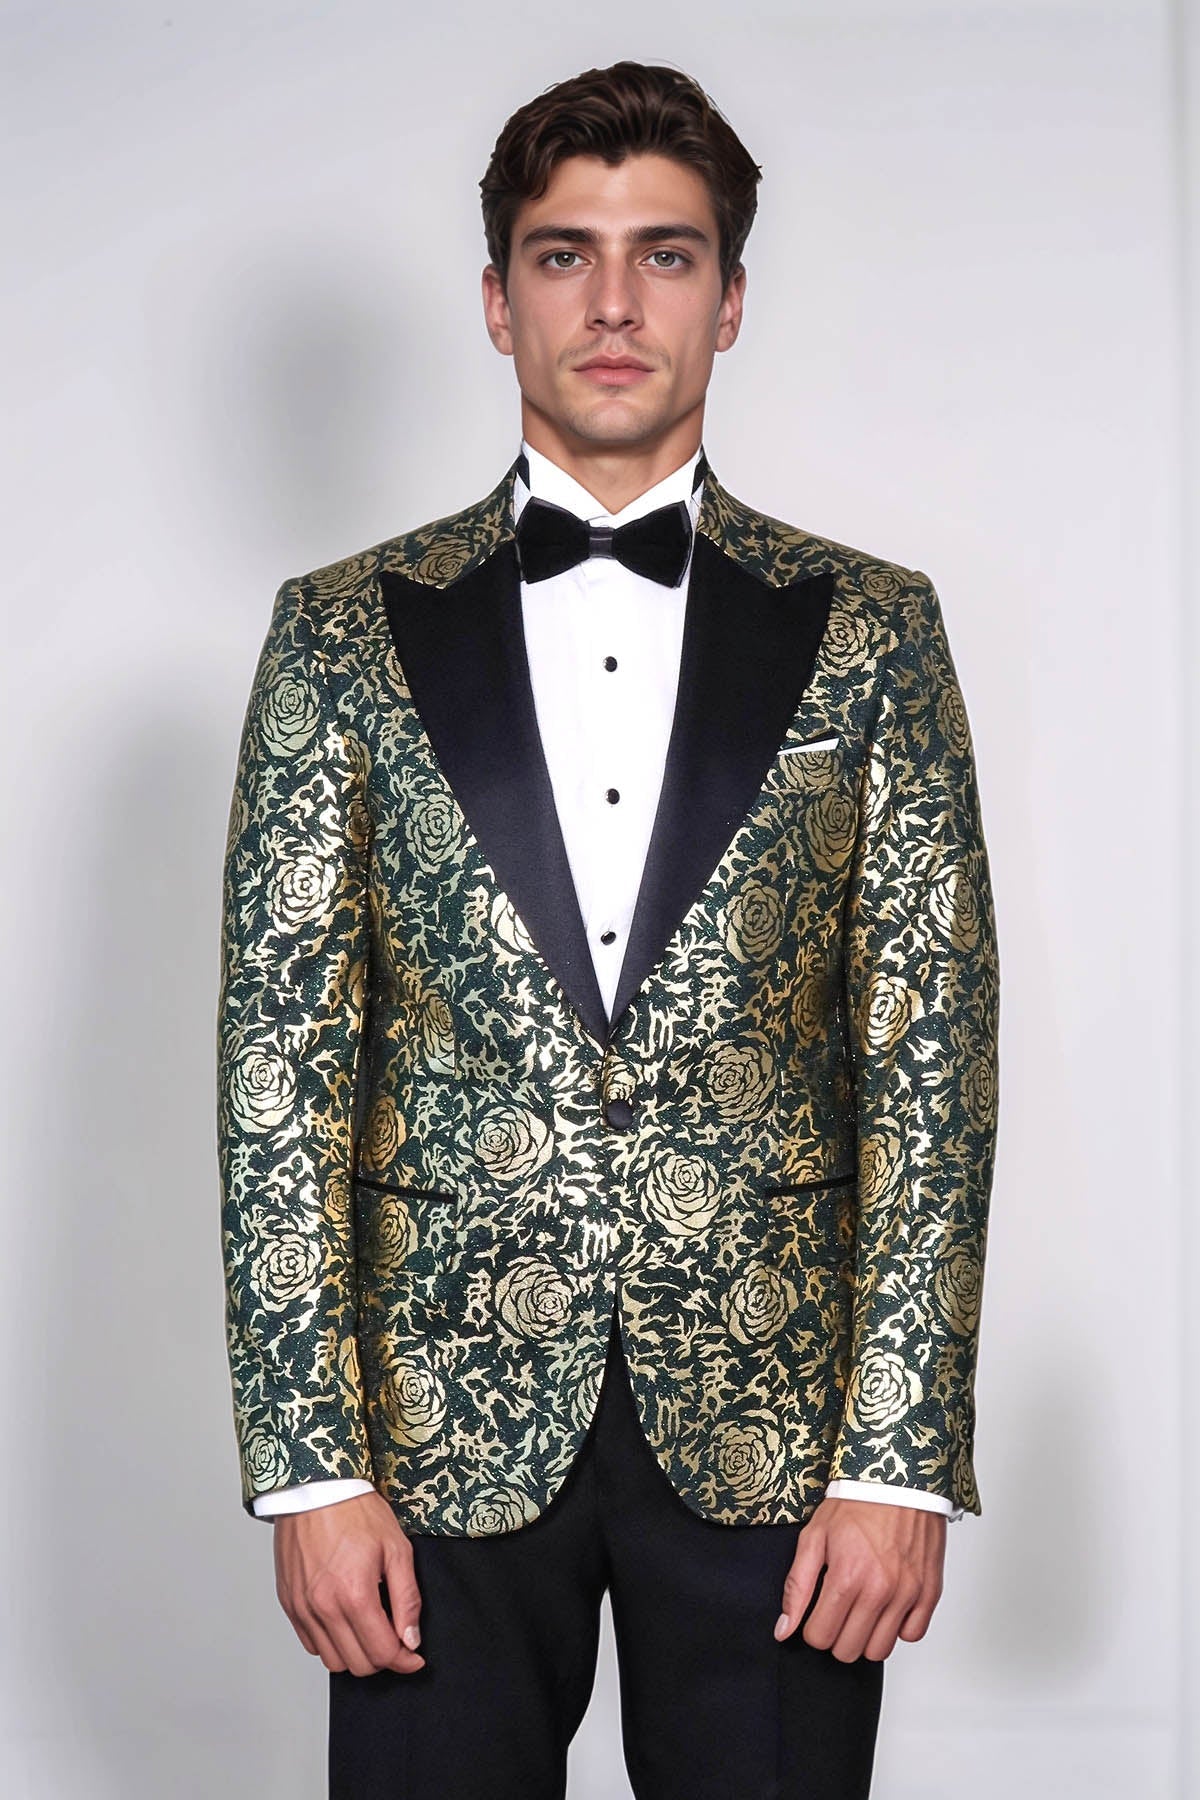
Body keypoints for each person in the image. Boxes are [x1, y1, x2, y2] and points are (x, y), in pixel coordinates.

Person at [216, 57, 999, 1800]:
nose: (618, 302)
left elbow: (932, 1058)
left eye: (667, 254)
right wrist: (309, 1466)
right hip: (432, 1433)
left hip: (783, 1436)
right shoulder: (336, 634)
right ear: (500, 304)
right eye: (566, 255)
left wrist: (898, 1457)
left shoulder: (875, 631)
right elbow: (279, 1064)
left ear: (733, 299)